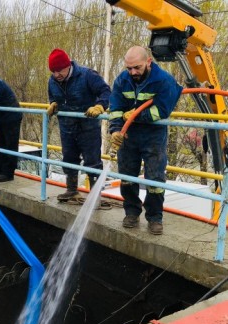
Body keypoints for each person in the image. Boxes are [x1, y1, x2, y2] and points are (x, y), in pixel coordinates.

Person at [108, 46, 183, 235]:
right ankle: (131, 213)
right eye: (129, 68)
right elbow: (115, 108)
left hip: (153, 137)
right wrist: (115, 131)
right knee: (126, 177)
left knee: (155, 179)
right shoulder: (122, 81)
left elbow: (162, 111)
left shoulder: (163, 80)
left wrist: (135, 115)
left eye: (137, 68)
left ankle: (155, 218)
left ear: (148, 62)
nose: (133, 72)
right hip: (128, 136)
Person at [47, 48, 111, 202]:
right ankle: (71, 190)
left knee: (92, 160)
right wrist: (53, 103)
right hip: (66, 126)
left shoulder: (87, 75)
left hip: (88, 126)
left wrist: (100, 106)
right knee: (69, 158)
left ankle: (96, 195)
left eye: (60, 70)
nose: (57, 75)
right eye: (53, 71)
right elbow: (52, 96)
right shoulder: (52, 81)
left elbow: (106, 92)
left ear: (68, 65)